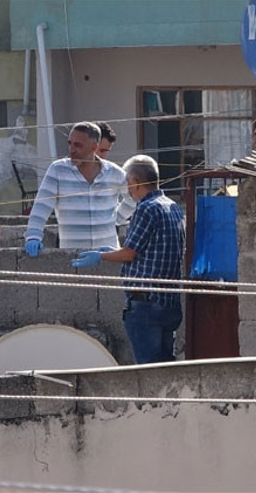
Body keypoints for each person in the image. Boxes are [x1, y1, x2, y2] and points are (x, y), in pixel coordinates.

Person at [71, 155, 184, 364]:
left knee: (146, 371)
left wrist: (101, 256)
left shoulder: (145, 208)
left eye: (128, 183)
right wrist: (114, 250)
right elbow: (146, 250)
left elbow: (130, 253)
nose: (128, 189)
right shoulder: (172, 206)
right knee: (165, 370)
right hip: (169, 303)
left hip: (146, 305)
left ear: (136, 181)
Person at [24, 122, 134, 256]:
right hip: (71, 257)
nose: (72, 150)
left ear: (94, 147)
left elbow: (133, 199)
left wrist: (115, 219)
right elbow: (41, 207)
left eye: (78, 145)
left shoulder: (114, 173)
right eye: (70, 143)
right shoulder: (58, 170)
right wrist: (33, 236)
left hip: (107, 256)